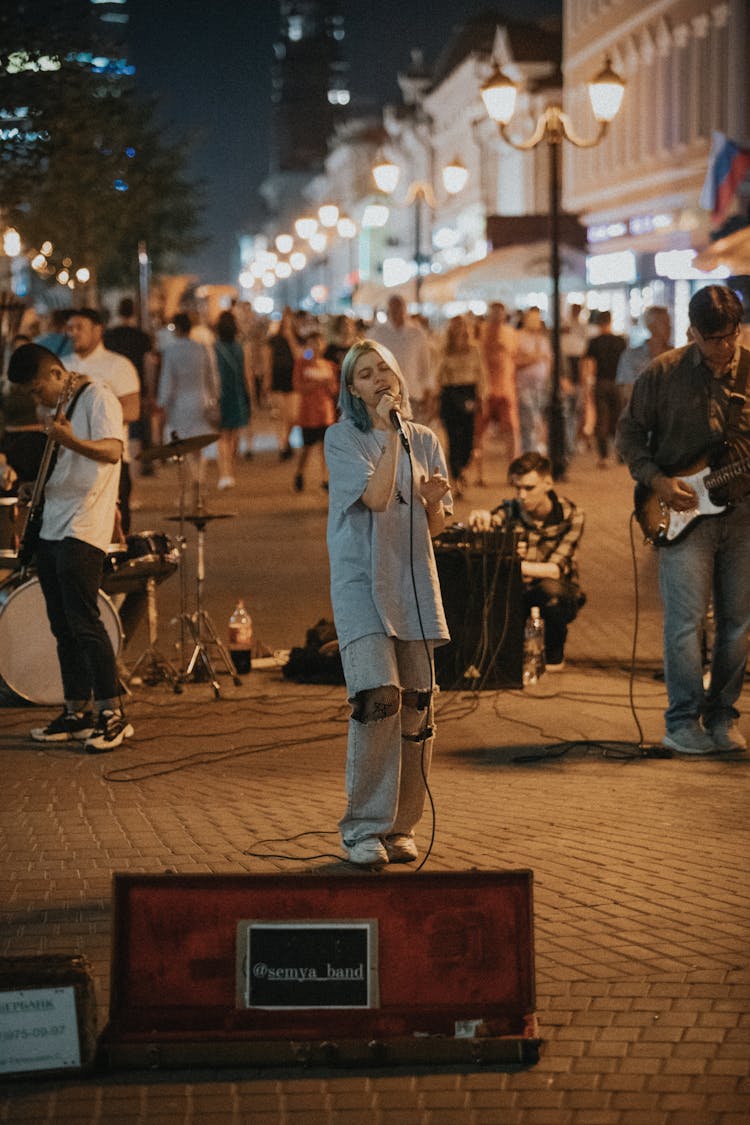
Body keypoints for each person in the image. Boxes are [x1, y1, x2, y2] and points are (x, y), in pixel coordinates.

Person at [324, 339, 452, 868]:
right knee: (379, 698)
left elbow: (439, 521)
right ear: (353, 389)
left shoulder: (426, 438)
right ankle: (362, 828)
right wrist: (393, 437)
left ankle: (402, 825)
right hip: (360, 583)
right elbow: (375, 499)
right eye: (365, 374)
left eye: (384, 370)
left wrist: (432, 501)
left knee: (417, 705)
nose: (378, 379)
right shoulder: (342, 438)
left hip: (413, 584)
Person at [616, 284, 749, 756]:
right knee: (685, 622)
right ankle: (681, 720)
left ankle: (723, 716)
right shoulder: (664, 372)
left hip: (743, 516)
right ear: (691, 331)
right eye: (711, 339)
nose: (723, 348)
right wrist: (657, 481)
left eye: (730, 336)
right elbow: (629, 433)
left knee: (738, 622)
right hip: (680, 511)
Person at [7, 343, 133, 751]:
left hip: (83, 525)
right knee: (62, 625)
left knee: (84, 621)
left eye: (34, 388)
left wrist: (71, 440)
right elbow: (69, 465)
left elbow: (113, 452)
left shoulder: (97, 397)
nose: (35, 398)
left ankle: (113, 712)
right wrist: (36, 488)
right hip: (54, 525)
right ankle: (77, 709)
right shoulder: (65, 406)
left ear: (55, 374)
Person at [496, 451, 585, 669]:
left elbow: (554, 570)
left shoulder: (571, 515)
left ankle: (554, 647)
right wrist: (481, 520)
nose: (522, 495)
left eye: (529, 488)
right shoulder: (511, 509)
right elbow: (491, 519)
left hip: (554, 592)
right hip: (518, 592)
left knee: (551, 593)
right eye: (517, 488)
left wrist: (512, 561)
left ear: (548, 483)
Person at [67, 308, 140, 535]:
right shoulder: (62, 365)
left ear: (98, 330)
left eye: (80, 327)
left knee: (115, 525)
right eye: (70, 328)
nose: (74, 334)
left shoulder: (117, 365)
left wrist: (94, 417)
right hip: (70, 461)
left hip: (110, 459)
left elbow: (132, 410)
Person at [156, 312, 219, 503]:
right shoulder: (201, 349)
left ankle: (185, 490)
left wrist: (162, 402)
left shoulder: (171, 351)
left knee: (181, 446)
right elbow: (212, 376)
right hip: (201, 400)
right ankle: (200, 482)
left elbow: (167, 380)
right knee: (199, 444)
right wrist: (214, 398)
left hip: (179, 403)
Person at [436, 314, 487, 497]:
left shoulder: (474, 349)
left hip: (468, 393)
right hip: (450, 393)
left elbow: (481, 374)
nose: (461, 330)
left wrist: (482, 397)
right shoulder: (445, 350)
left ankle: (463, 468)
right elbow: (438, 375)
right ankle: (456, 478)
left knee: (467, 437)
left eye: (464, 326)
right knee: (453, 438)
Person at [103, 296, 155, 469]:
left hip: (112, 389)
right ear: (134, 312)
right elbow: (148, 365)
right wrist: (150, 391)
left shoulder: (110, 335)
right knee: (136, 432)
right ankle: (136, 471)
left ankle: (119, 467)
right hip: (135, 387)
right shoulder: (141, 336)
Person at [370, 294, 435, 426]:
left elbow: (425, 366)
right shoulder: (377, 333)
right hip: (385, 395)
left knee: (411, 436)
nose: (396, 312)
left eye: (399, 308)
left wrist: (428, 393)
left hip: (412, 394)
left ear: (405, 309)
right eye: (393, 308)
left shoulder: (416, 334)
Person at [475, 301, 519, 481]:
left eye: (499, 313)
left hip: (505, 389)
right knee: (479, 433)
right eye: (493, 313)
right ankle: (480, 475)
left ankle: (513, 472)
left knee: (511, 431)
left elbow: (515, 356)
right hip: (485, 389)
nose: (496, 317)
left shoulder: (510, 333)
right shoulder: (480, 331)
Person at [292, 330, 338, 492]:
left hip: (325, 414)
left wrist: (328, 383)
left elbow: (334, 391)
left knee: (325, 448)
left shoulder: (329, 366)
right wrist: (318, 383)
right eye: (313, 343)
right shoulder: (301, 364)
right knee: (307, 447)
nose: (317, 347)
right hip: (308, 414)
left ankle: (325, 478)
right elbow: (298, 387)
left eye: (319, 343)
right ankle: (299, 473)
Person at [580, 310, 626, 467]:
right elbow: (626, 363)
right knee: (619, 418)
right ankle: (621, 454)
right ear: (611, 321)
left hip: (601, 382)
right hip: (618, 383)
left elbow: (588, 364)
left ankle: (604, 456)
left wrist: (586, 383)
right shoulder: (621, 341)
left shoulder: (594, 342)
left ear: (599, 323)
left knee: (602, 419)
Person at [213, 309, 251, 490]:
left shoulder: (214, 348)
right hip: (237, 394)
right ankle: (231, 470)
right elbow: (246, 374)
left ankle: (224, 473)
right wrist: (250, 395)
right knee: (234, 436)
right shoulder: (239, 348)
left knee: (221, 437)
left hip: (220, 395)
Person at [615, 305, 672, 409]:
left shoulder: (676, 356)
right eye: (664, 323)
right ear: (651, 327)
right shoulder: (631, 356)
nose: (669, 327)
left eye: (669, 323)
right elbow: (628, 393)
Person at [514, 307, 552, 455]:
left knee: (537, 420)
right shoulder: (518, 337)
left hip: (540, 386)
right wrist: (533, 358)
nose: (535, 322)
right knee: (528, 420)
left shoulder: (543, 339)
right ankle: (529, 453)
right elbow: (515, 361)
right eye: (532, 318)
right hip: (523, 386)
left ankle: (534, 450)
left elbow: (548, 360)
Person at [266, 306, 300, 460]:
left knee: (293, 415)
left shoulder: (297, 337)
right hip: (277, 380)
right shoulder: (273, 340)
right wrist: (266, 380)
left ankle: (286, 441)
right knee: (281, 415)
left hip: (292, 380)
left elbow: (299, 357)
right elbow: (268, 360)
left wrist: (291, 338)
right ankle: (282, 445)